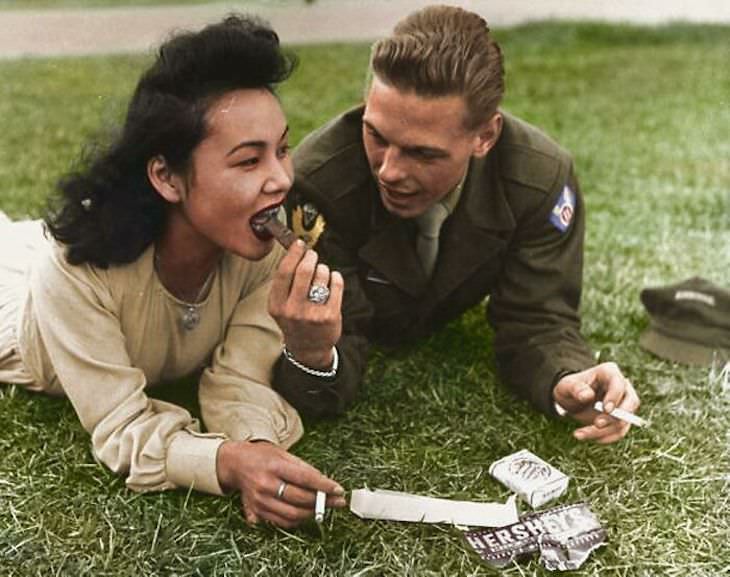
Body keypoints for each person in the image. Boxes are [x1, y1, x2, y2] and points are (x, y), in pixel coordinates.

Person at [0, 15, 348, 528]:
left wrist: (256, 447)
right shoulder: (77, 272)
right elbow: (121, 428)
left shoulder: (259, 246)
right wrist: (226, 464)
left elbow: (240, 378)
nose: (279, 180)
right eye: (249, 161)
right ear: (166, 176)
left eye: (281, 150)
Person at [279, 5, 640, 444]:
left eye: (423, 153)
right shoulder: (316, 185)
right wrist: (315, 355)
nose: (389, 171)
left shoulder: (538, 180)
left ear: (485, 137)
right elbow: (338, 334)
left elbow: (537, 317)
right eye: (376, 135)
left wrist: (566, 380)